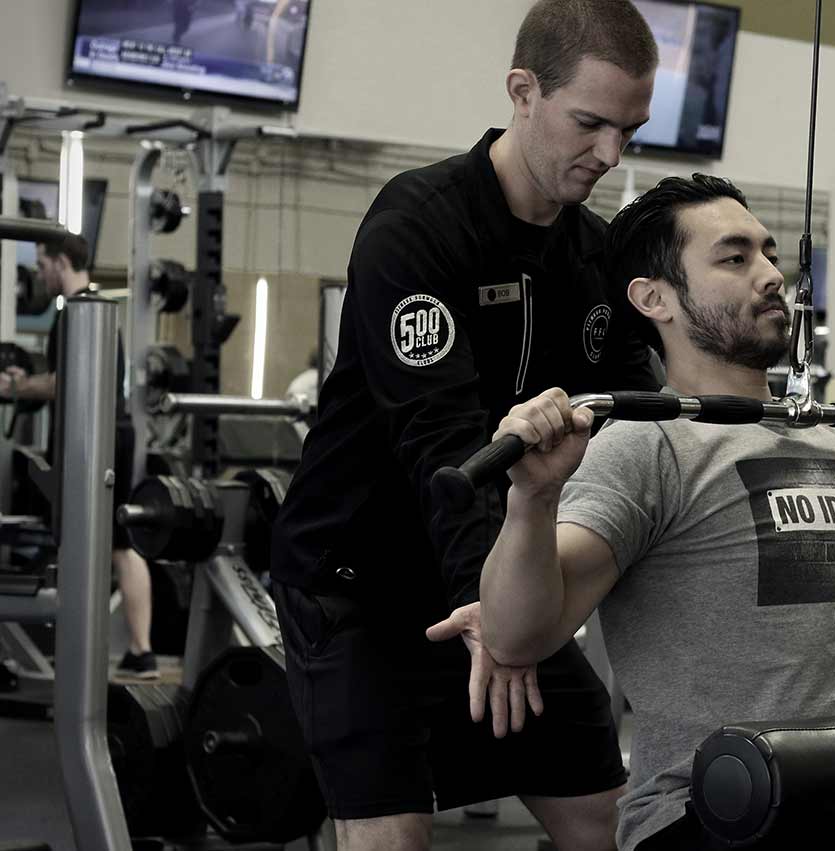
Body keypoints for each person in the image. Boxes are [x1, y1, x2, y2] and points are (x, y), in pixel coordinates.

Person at [471, 174, 835, 851]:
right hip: (713, 809)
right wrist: (533, 499)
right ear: (654, 298)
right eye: (735, 257)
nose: (773, 275)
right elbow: (516, 637)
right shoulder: (646, 444)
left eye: (770, 254)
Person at [268, 1, 662, 848]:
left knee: (608, 820)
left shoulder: (593, 254)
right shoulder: (419, 225)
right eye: (589, 124)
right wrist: (492, 608)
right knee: (395, 837)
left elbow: (642, 420)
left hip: (497, 576)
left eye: (629, 131)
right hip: (360, 585)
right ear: (523, 92)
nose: (610, 155)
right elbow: (442, 447)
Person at [0, 235, 155, 680]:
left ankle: (96, 650)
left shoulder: (77, 311)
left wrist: (15, 385)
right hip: (108, 432)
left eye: (42, 264)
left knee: (92, 542)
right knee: (119, 545)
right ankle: (139, 652)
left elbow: (61, 382)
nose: (40, 274)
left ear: (62, 261)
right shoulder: (96, 306)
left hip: (93, 437)